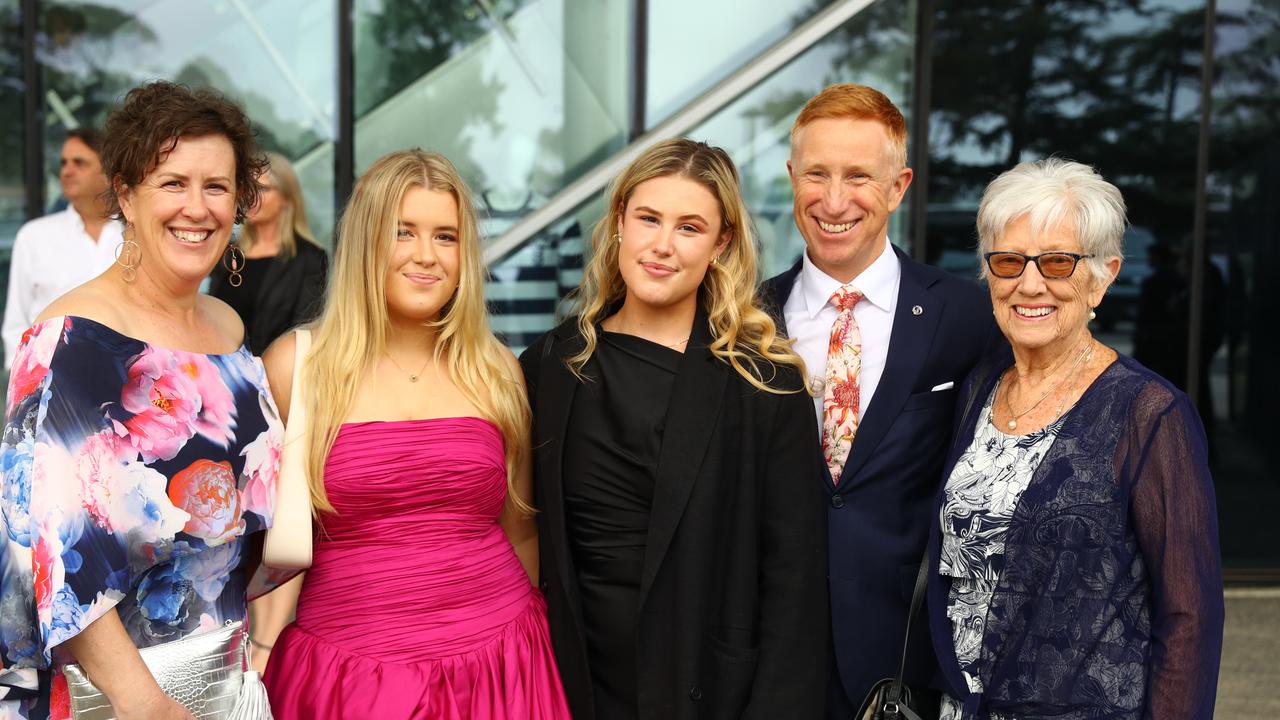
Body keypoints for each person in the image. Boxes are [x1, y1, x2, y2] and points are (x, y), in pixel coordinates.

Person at [252, 149, 570, 718]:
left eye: (446, 237)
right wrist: (261, 645)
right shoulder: (295, 365)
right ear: (366, 242)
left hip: (501, 665)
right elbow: (262, 543)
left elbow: (521, 528)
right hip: (349, 674)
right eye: (404, 232)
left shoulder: (495, 367)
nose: (427, 256)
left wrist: (525, 664)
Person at [521, 138, 829, 719]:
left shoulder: (763, 382)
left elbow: (795, 582)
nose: (662, 246)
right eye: (648, 219)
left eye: (689, 228)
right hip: (573, 682)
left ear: (721, 244)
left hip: (706, 688)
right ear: (619, 224)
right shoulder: (549, 367)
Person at [0, 81, 280, 719]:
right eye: (173, 183)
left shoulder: (230, 333)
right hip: (116, 698)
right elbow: (47, 544)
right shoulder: (69, 336)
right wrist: (143, 705)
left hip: (227, 682)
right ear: (125, 193)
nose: (198, 207)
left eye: (217, 186)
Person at [927, 158, 1224, 719]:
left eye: (1059, 262)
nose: (1029, 283)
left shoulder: (1150, 414)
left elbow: (1190, 618)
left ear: (1104, 275)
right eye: (1009, 261)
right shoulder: (978, 390)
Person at [756, 83, 1003, 717]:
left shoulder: (968, 316)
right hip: (772, 656)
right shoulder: (744, 319)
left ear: (898, 188)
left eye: (859, 176)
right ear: (791, 178)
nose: (834, 200)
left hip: (907, 660)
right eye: (817, 174)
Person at [2, 128, 123, 368]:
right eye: (64, 163)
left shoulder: (136, 234)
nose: (67, 171)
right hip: (51, 384)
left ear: (109, 172)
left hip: (127, 383)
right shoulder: (34, 236)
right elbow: (16, 326)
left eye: (79, 163)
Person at [208, 152, 328, 355]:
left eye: (263, 188)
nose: (253, 196)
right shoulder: (228, 252)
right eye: (249, 188)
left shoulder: (309, 258)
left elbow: (305, 333)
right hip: (220, 369)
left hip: (271, 376)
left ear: (287, 199)